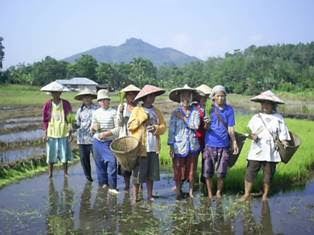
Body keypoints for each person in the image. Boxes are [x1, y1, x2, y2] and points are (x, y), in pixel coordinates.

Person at [240, 90, 290, 201]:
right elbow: (247, 132)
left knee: (268, 175)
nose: (265, 105)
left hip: (271, 151)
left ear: (273, 105)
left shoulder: (279, 118)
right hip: (256, 150)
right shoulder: (256, 117)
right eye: (263, 103)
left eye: (268, 103)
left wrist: (285, 143)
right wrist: (251, 136)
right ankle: (246, 194)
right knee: (250, 172)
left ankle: (265, 196)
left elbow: (283, 135)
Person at [128, 84, 167, 202]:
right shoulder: (137, 110)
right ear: (144, 98)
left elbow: (164, 127)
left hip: (153, 146)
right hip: (141, 146)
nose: (152, 98)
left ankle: (150, 195)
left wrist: (156, 128)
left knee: (151, 173)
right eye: (149, 96)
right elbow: (130, 126)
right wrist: (142, 119)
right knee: (138, 174)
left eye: (153, 96)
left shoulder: (157, 111)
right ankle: (135, 196)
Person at [203, 85, 239, 199]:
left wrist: (234, 142)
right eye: (218, 96)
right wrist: (207, 124)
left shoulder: (229, 110)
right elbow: (205, 128)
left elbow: (231, 128)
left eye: (223, 96)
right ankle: (209, 193)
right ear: (213, 97)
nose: (221, 98)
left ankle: (218, 192)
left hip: (224, 145)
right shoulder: (209, 108)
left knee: (222, 172)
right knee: (208, 171)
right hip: (209, 144)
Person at [168, 84, 201, 200]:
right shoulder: (174, 113)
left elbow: (195, 126)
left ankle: (191, 191)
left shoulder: (195, 112)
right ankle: (178, 190)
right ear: (180, 99)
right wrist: (171, 146)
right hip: (179, 145)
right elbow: (171, 131)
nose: (186, 99)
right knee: (178, 169)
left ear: (191, 98)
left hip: (192, 145)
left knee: (192, 169)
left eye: (188, 96)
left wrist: (183, 118)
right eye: (183, 96)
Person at [41, 81, 73, 178]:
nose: (55, 94)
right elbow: (45, 120)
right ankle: (50, 173)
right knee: (51, 153)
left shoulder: (66, 103)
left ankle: (65, 173)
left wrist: (71, 133)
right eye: (53, 92)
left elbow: (70, 118)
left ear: (60, 93)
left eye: (57, 92)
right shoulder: (47, 104)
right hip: (51, 132)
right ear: (51, 93)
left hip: (63, 132)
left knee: (64, 153)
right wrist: (45, 133)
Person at [91, 89, 120, 194]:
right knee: (100, 165)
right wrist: (93, 128)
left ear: (109, 100)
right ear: (98, 102)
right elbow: (92, 128)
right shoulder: (96, 113)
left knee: (112, 162)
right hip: (97, 142)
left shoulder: (114, 112)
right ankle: (103, 184)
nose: (103, 102)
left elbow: (118, 129)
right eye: (101, 100)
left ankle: (113, 187)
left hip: (109, 142)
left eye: (105, 100)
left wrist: (106, 134)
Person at [116, 84, 141, 192]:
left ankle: (137, 186)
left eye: (133, 95)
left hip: (136, 138)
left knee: (137, 163)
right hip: (125, 137)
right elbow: (119, 123)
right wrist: (121, 112)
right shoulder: (122, 107)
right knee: (125, 163)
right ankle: (127, 185)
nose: (131, 97)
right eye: (129, 95)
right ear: (125, 97)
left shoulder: (140, 107)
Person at [74, 88, 98, 182]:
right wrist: (73, 125)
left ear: (91, 98)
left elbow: (99, 121)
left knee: (97, 159)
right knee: (84, 160)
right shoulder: (79, 111)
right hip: (82, 139)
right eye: (85, 97)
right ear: (82, 99)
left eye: (88, 96)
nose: (87, 98)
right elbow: (77, 124)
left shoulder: (96, 109)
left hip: (94, 138)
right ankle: (88, 178)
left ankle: (102, 177)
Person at [193, 84, 212, 188]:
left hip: (207, 138)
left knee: (206, 160)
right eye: (202, 97)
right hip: (197, 137)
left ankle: (204, 181)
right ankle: (194, 181)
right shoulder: (194, 108)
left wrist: (208, 124)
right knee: (194, 160)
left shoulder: (210, 108)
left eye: (206, 97)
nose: (204, 99)